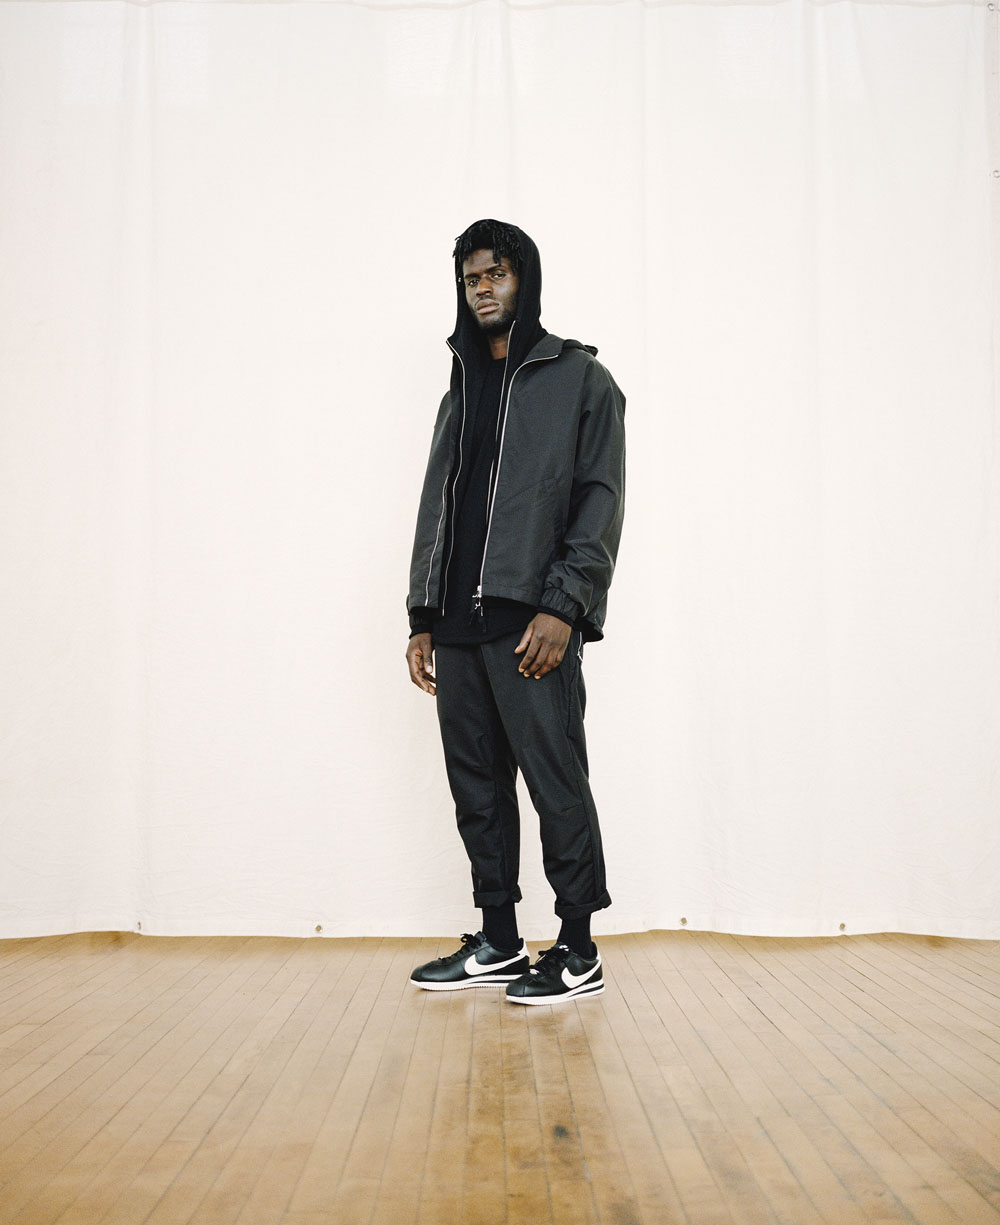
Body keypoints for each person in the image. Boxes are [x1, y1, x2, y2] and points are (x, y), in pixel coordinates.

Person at [404, 219, 625, 1004]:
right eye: (471, 279)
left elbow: (599, 502)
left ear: (523, 279)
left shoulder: (580, 379)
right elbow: (438, 501)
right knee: (477, 787)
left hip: (532, 622)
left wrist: (565, 606)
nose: (483, 289)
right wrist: (421, 613)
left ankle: (577, 948)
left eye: (495, 274)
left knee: (555, 778)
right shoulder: (461, 386)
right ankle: (498, 938)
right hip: (457, 626)